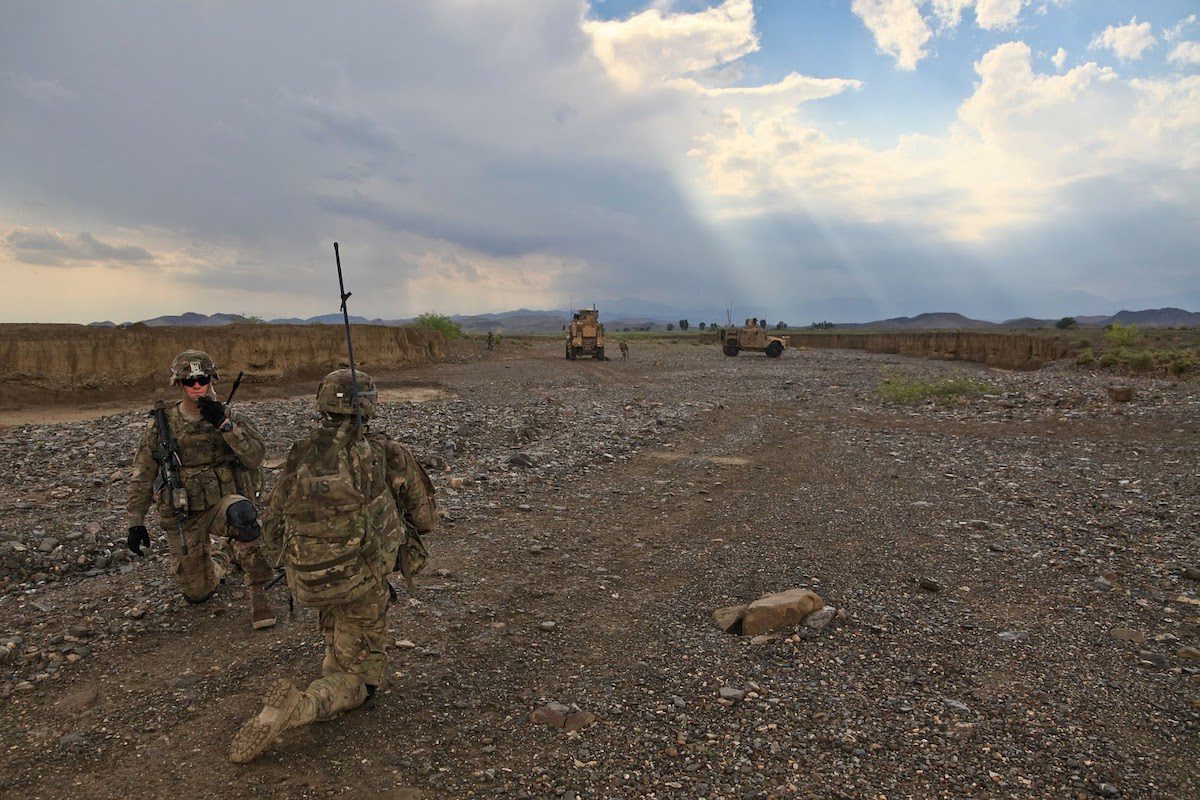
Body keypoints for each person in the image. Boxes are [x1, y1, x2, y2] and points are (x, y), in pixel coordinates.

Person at [228, 368, 438, 764]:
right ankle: (302, 706)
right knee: (361, 678)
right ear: (369, 407)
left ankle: (334, 663)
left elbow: (272, 523)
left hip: (309, 577)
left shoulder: (301, 452)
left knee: (338, 625)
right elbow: (425, 518)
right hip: (362, 578)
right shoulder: (385, 451)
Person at [125, 350, 276, 629]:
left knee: (243, 515)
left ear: (211, 380)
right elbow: (143, 475)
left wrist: (225, 426)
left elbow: (255, 457)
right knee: (198, 592)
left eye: (202, 379)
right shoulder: (162, 425)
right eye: (189, 381)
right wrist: (135, 522)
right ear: (179, 384)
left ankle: (259, 595)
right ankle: (225, 554)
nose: (196, 386)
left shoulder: (227, 416)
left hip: (223, 504)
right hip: (185, 513)